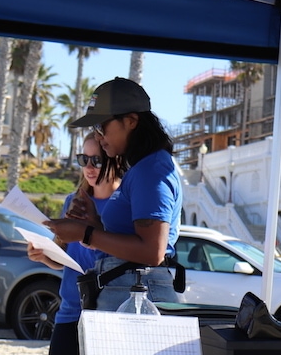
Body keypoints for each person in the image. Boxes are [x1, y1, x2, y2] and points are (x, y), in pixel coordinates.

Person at [47, 77, 183, 311]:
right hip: (131, 288)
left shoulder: (151, 170)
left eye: (102, 127)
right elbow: (136, 240)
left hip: (138, 292)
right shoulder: (143, 168)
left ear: (131, 121)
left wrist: (85, 232)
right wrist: (95, 224)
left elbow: (153, 252)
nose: (98, 137)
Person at [28, 132, 123, 355]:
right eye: (84, 159)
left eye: (97, 160)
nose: (89, 167)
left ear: (114, 159)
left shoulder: (123, 203)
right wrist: (44, 256)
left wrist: (93, 238)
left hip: (107, 314)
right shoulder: (73, 200)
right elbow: (66, 258)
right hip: (69, 311)